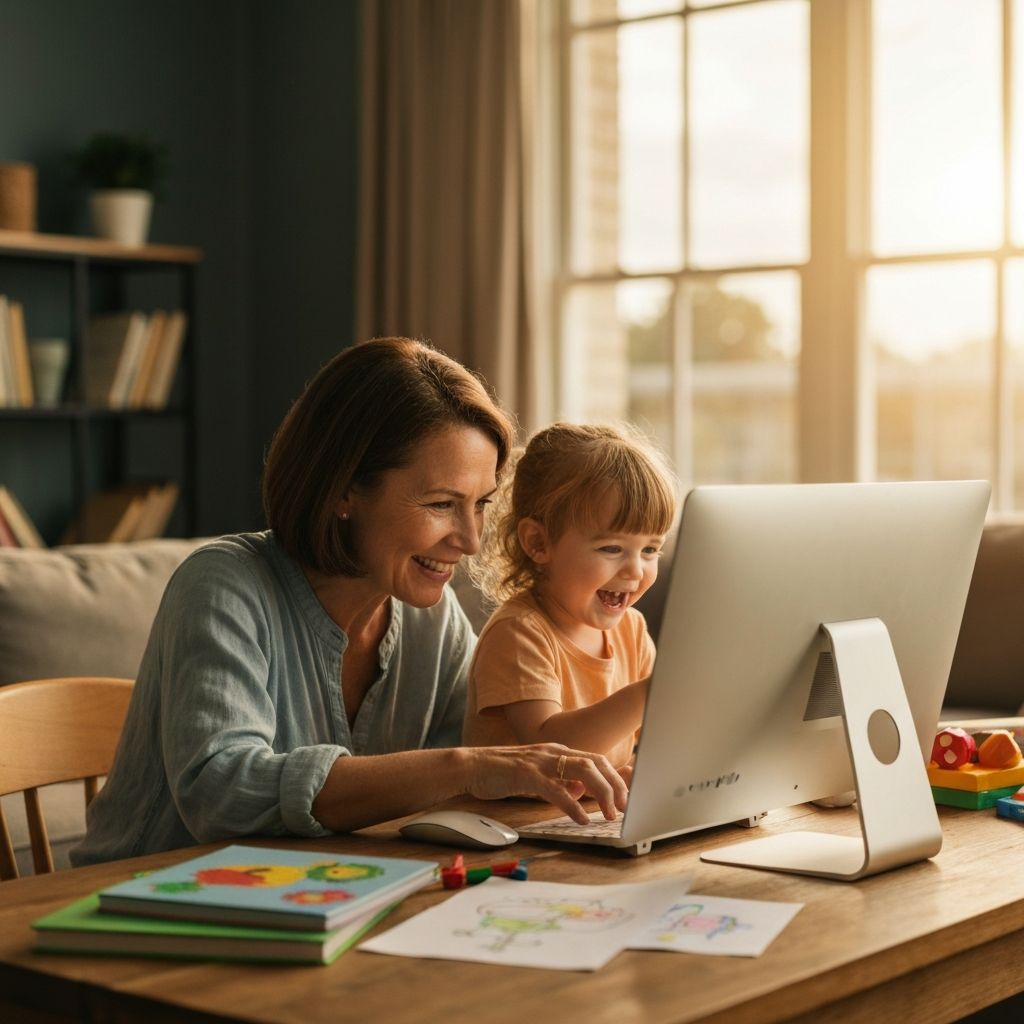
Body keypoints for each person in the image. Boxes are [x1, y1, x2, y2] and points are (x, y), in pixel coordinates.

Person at [72, 338, 627, 866]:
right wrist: (467, 767)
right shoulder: (222, 584)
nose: (471, 539)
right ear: (343, 490)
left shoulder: (430, 620)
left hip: (319, 894)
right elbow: (222, 793)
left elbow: (478, 776)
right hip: (144, 905)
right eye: (440, 504)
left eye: (480, 504)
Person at [463, 422, 678, 772]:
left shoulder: (632, 631)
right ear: (538, 543)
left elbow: (646, 743)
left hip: (584, 820)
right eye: (612, 548)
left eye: (651, 549)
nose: (636, 571)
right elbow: (551, 752)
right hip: (510, 823)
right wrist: (650, 692)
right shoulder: (519, 632)